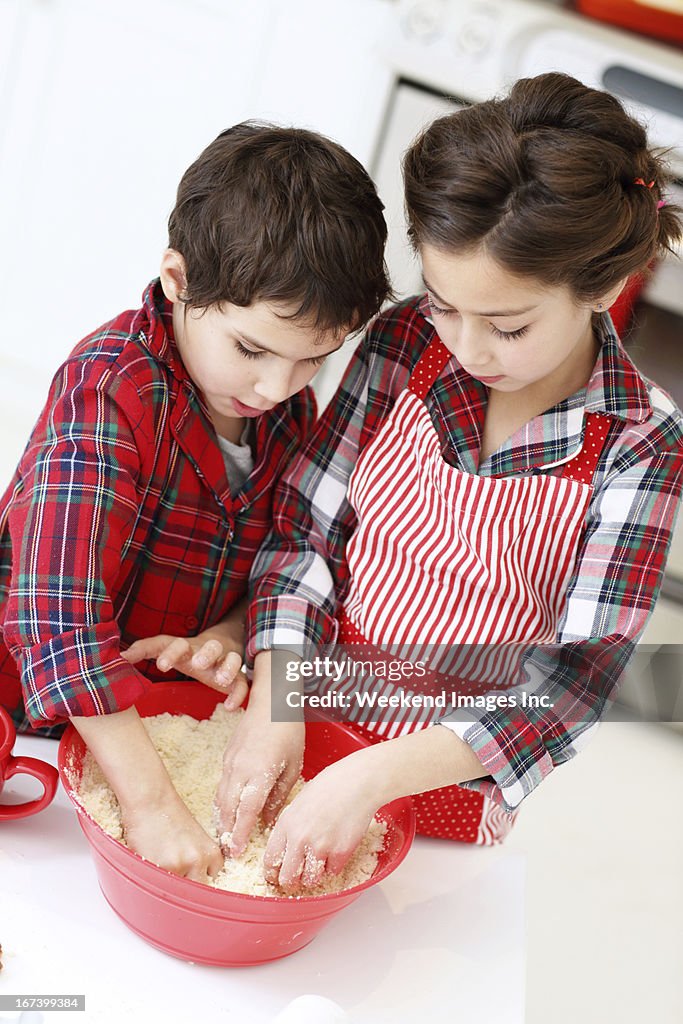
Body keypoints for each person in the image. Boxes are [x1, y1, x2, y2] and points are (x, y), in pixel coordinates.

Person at [210, 73, 683, 891]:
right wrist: (277, 702)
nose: (468, 347)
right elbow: (307, 537)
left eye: (507, 325)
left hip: (439, 785)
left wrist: (369, 778)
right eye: (441, 302)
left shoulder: (639, 444)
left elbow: (567, 684)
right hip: (303, 712)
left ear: (605, 288)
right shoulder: (401, 346)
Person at [0, 122, 390, 881]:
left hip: (152, 706)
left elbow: (285, 552)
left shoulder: (282, 410)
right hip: (28, 700)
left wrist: (231, 629)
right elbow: (56, 615)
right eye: (252, 348)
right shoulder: (109, 391)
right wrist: (147, 807)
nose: (278, 386)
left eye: (314, 356)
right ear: (178, 280)